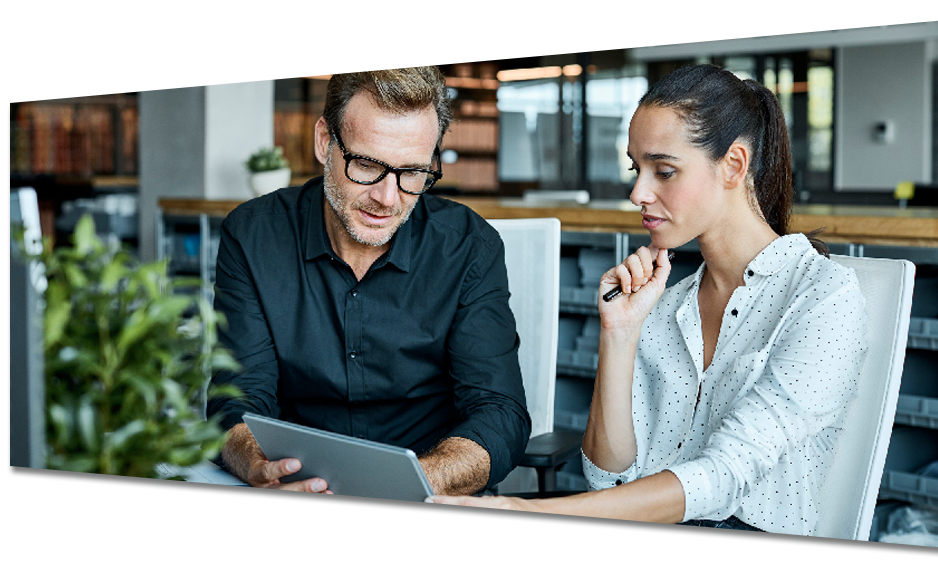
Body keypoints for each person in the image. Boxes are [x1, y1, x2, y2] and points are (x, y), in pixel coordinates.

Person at [417, 63, 867, 548]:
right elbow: (608, 478)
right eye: (637, 169)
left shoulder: (823, 297)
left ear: (734, 165)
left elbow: (723, 477)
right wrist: (620, 334)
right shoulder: (663, 302)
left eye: (664, 171)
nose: (638, 193)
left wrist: (537, 521)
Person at [207, 50, 531, 522]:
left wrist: (411, 482)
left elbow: (499, 413)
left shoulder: (469, 247)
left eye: (412, 173)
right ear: (324, 142)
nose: (386, 197)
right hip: (295, 498)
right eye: (365, 165)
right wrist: (261, 468)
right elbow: (236, 398)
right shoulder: (253, 235)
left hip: (426, 506)